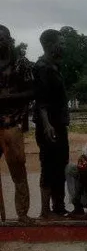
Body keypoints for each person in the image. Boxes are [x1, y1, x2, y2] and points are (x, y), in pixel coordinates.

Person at [33, 28, 70, 218]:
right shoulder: (42, 68)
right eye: (61, 43)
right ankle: (45, 211)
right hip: (49, 126)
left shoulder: (55, 67)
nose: (64, 46)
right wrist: (47, 125)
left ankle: (59, 207)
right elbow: (41, 101)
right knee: (48, 165)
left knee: (61, 165)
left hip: (59, 124)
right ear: (49, 45)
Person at [0, 24, 35, 223]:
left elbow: (32, 91)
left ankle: (22, 214)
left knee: (18, 169)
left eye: (3, 38)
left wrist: (9, 97)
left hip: (11, 122)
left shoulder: (21, 64)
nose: (0, 42)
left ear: (10, 39)